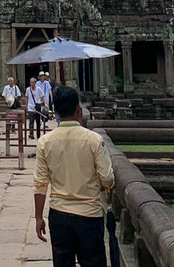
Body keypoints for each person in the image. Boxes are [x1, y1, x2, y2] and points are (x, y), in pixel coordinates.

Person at [33, 85, 114, 267]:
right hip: (89, 214)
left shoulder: (45, 142)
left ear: (55, 111)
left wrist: (38, 217)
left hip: (59, 215)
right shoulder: (93, 140)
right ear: (79, 109)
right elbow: (107, 178)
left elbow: (40, 184)